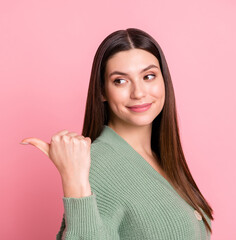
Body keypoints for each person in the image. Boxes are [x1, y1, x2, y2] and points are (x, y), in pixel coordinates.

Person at [20, 28, 214, 239]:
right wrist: (75, 180)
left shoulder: (162, 158)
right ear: (102, 90)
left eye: (149, 76)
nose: (139, 92)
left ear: (164, 81)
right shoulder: (95, 164)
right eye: (120, 81)